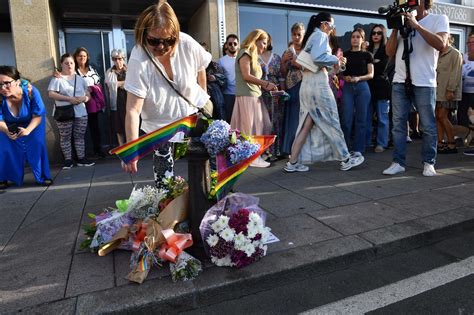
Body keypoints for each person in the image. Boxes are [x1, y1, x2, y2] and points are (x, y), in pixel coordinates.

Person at [122, 0, 211, 188]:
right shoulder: (139, 57)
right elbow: (132, 109)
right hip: (161, 125)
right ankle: (169, 209)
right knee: (165, 183)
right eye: (154, 41)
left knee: (205, 168)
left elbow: (201, 66)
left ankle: (206, 203)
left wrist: (203, 94)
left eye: (169, 40)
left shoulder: (186, 42)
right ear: (143, 34)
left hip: (192, 115)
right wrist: (131, 150)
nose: (162, 46)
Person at [283, 12, 364, 173]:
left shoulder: (312, 37)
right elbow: (319, 57)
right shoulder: (320, 36)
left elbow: (313, 61)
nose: (333, 29)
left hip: (307, 85)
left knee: (305, 125)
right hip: (318, 86)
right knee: (331, 121)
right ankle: (346, 159)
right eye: (332, 25)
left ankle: (292, 163)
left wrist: (336, 63)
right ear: (324, 24)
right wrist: (335, 59)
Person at [383, 0, 449, 177]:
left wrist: (417, 26)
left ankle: (429, 162)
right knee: (398, 125)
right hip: (400, 80)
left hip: (425, 82)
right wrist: (396, 27)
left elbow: (442, 45)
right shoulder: (402, 19)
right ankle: (398, 162)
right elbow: (389, 52)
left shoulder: (438, 18)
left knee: (427, 125)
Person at [230, 29, 277, 168]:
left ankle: (247, 157)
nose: (265, 46)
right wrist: (265, 83)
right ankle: (252, 158)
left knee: (258, 127)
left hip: (253, 95)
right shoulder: (246, 52)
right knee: (252, 128)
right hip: (248, 95)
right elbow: (246, 75)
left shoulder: (251, 54)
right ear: (255, 40)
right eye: (263, 43)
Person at [0, 66, 52, 188]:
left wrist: (28, 130)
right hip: (7, 124)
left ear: (17, 82)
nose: (2, 88)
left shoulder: (31, 92)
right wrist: (7, 130)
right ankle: (3, 176)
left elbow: (38, 115)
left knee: (37, 143)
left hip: (33, 122)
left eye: (7, 83)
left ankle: (43, 176)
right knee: (4, 146)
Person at [48, 53, 95, 169]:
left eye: (71, 63)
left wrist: (85, 98)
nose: (69, 65)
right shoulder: (57, 78)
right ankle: (68, 160)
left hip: (81, 112)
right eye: (66, 63)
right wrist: (69, 99)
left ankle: (81, 159)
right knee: (65, 137)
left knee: (80, 136)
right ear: (61, 64)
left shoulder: (80, 79)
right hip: (63, 112)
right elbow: (51, 94)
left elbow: (88, 93)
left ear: (75, 64)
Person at [341, 28, 374, 159]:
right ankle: (345, 148)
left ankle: (358, 148)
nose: (355, 39)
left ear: (362, 39)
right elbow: (341, 73)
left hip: (362, 86)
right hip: (348, 87)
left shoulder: (367, 55)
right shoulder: (344, 55)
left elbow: (371, 74)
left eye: (358, 37)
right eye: (353, 37)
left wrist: (358, 78)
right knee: (346, 119)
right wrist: (345, 78)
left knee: (361, 119)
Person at [74, 47, 106, 158]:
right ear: (76, 57)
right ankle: (78, 154)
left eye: (84, 56)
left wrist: (93, 88)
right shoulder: (73, 70)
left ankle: (98, 149)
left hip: (92, 102)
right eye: (80, 56)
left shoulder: (92, 69)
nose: (82, 58)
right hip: (79, 103)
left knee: (94, 127)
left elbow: (98, 82)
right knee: (79, 128)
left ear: (87, 57)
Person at [281, 23, 305, 157]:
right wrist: (284, 62)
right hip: (292, 87)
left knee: (305, 119)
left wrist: (298, 64)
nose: (296, 37)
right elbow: (283, 73)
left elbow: (312, 69)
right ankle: (289, 149)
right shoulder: (287, 51)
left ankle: (302, 149)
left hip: (306, 85)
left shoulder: (308, 50)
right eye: (294, 34)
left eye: (299, 34)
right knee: (292, 118)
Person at [435, 35, 462, 154]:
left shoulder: (455, 53)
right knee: (437, 117)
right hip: (437, 90)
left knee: (442, 116)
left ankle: (452, 143)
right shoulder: (437, 53)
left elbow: (456, 73)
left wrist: (451, 89)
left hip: (448, 91)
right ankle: (440, 143)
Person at [259, 33, 284, 160]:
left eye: (266, 40)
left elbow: (281, 76)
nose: (264, 42)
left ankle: (276, 150)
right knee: (263, 122)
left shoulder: (277, 57)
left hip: (275, 93)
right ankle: (264, 151)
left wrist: (283, 91)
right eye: (262, 40)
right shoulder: (255, 58)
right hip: (260, 94)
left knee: (276, 121)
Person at [367, 24, 391, 153]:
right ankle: (368, 141)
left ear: (383, 35)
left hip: (382, 88)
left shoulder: (387, 48)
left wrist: (371, 64)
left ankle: (382, 143)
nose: (376, 35)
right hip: (369, 87)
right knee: (367, 116)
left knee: (382, 118)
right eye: (373, 33)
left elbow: (382, 67)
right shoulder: (367, 48)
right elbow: (362, 66)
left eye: (379, 33)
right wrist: (373, 62)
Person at [105, 49, 128, 146]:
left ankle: (131, 146)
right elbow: (109, 84)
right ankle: (121, 146)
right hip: (116, 101)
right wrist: (123, 83)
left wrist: (119, 84)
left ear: (124, 59)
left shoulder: (130, 70)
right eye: (115, 59)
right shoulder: (109, 72)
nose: (117, 61)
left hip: (128, 101)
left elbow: (134, 84)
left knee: (130, 124)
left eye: (119, 58)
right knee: (118, 126)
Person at [218, 34, 239, 122]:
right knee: (229, 120)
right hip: (227, 94)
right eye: (230, 44)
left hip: (240, 93)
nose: (232, 46)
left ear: (238, 45)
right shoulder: (221, 61)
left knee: (241, 120)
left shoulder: (242, 59)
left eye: (235, 43)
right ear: (226, 45)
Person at [462, 33, 474, 157]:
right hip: (466, 92)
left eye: (472, 42)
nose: (470, 45)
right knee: (467, 118)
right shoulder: (464, 56)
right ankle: (467, 139)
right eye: (468, 43)